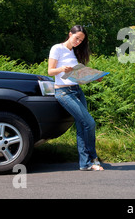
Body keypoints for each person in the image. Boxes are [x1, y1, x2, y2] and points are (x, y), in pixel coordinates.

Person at [48, 25, 104, 171]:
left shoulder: (75, 52)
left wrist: (94, 77)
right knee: (90, 123)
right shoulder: (57, 48)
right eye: (76, 38)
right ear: (69, 34)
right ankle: (93, 158)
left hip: (77, 90)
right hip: (63, 92)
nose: (78, 42)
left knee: (82, 126)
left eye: (81, 40)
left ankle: (84, 164)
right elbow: (50, 71)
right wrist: (61, 69)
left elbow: (78, 75)